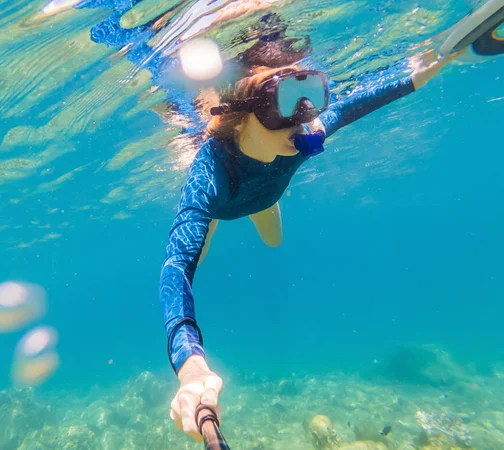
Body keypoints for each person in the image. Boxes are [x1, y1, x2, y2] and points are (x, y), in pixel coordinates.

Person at [158, 46, 461, 442]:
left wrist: (440, 59)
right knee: (201, 247)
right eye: (285, 106)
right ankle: (215, 221)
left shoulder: (305, 131)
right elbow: (176, 267)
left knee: (273, 241)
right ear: (245, 112)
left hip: (265, 197)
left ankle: (255, 204)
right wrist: (191, 365)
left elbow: (370, 98)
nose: (305, 122)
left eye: (312, 98)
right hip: (226, 198)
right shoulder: (210, 172)